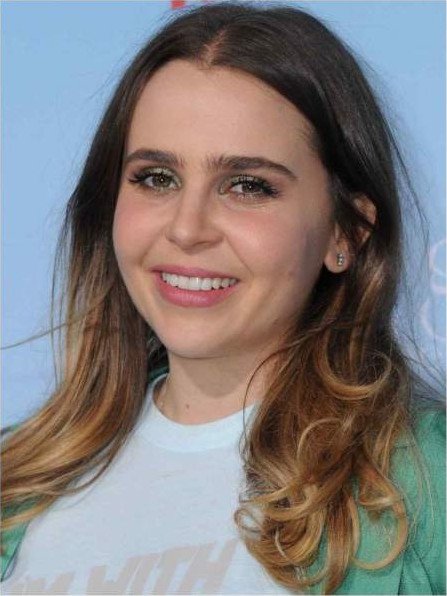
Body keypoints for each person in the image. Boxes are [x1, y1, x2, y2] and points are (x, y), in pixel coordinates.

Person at [1, 1, 445, 594]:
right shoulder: (16, 483)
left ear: (346, 232)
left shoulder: (427, 484)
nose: (187, 229)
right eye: (157, 178)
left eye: (247, 186)